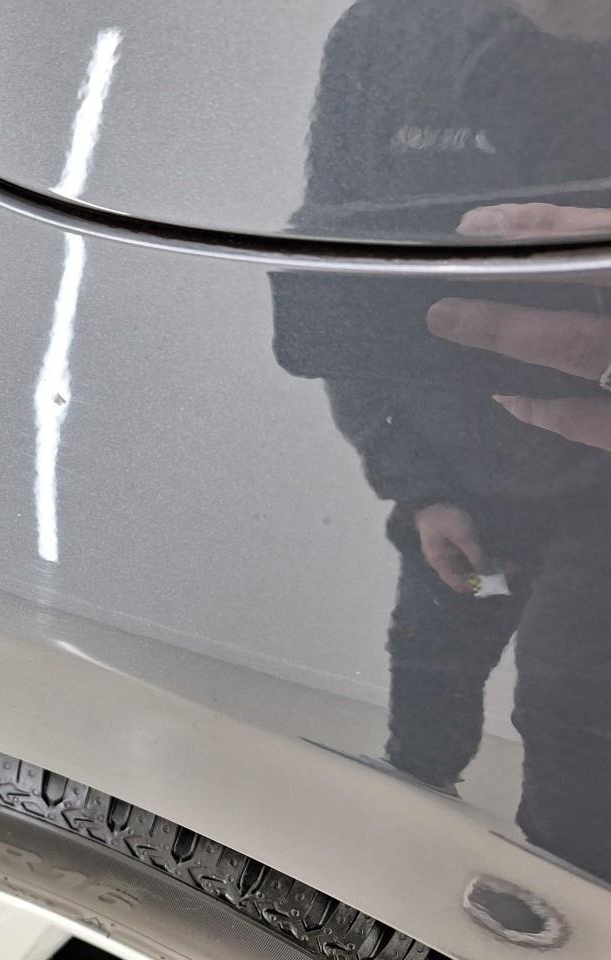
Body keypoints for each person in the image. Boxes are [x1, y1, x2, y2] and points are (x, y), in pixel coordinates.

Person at [271, 0, 611, 879]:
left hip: (600, 493)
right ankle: (401, 850)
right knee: (428, 676)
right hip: (454, 468)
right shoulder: (388, 33)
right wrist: (417, 485)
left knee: (573, 715)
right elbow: (341, 266)